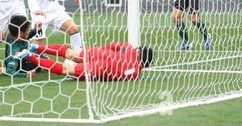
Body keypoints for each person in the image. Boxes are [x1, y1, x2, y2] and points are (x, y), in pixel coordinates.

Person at [15, 42, 154, 81]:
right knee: (65, 70)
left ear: (139, 52)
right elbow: (117, 76)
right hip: (102, 69)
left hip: (102, 54)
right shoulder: (135, 73)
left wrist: (94, 51)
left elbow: (111, 46)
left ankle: (37, 47)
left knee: (70, 53)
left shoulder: (129, 47)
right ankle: (29, 56)